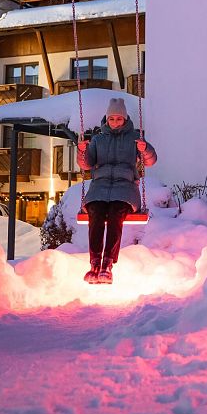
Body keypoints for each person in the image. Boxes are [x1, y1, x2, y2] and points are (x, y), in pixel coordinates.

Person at [77, 97, 157, 284]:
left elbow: (150, 161)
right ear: (107, 119)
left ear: (125, 119)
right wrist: (82, 152)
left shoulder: (135, 138)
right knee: (95, 212)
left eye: (119, 119)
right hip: (100, 186)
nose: (115, 122)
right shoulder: (98, 139)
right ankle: (95, 263)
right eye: (112, 119)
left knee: (115, 214)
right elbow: (86, 164)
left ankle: (108, 264)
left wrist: (145, 150)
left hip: (125, 187)